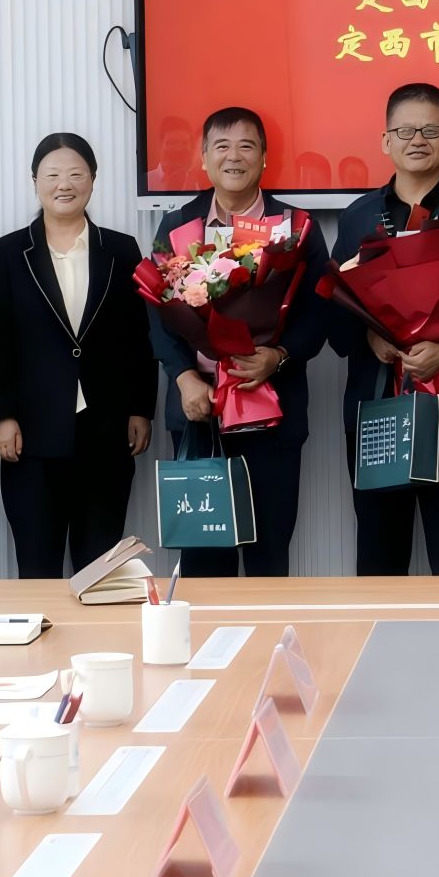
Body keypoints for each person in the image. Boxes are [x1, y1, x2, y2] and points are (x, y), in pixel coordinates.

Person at [329, 82, 439, 576]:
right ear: (386, 141)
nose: (418, 141)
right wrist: (371, 337)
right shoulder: (357, 217)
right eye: (405, 131)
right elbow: (336, 311)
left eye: (430, 130)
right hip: (377, 413)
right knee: (379, 562)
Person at [148, 107, 330, 577]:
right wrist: (185, 378)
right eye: (222, 146)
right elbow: (157, 313)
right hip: (200, 414)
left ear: (264, 157)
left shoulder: (296, 228)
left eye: (246, 146)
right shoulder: (177, 226)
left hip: (272, 414)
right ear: (204, 158)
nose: (234, 157)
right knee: (204, 562)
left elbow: (319, 312)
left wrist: (279, 356)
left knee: (269, 557)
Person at [0, 133, 155, 579]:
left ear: (93, 179)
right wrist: (2, 416)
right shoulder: (9, 252)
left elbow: (139, 336)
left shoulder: (121, 250)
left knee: (99, 569)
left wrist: (141, 409)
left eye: (76, 174)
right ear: (35, 181)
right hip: (31, 436)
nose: (64, 184)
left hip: (106, 431)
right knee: (38, 567)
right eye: (52, 174)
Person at [146, 116, 203, 189]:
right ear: (160, 145)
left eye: (184, 143)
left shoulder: (198, 182)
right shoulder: (147, 181)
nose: (179, 149)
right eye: (172, 142)